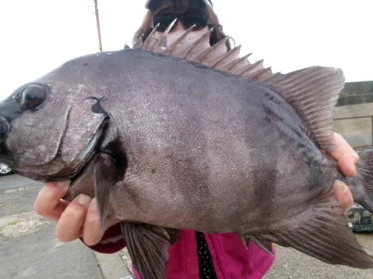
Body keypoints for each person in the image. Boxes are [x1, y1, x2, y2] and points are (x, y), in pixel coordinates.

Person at [34, 1, 358, 278]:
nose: (179, 29)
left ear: (213, 34)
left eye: (194, 20)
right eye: (163, 20)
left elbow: (294, 128)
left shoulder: (241, 89)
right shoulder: (121, 96)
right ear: (147, 33)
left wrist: (329, 150)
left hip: (244, 270)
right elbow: (122, 220)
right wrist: (105, 224)